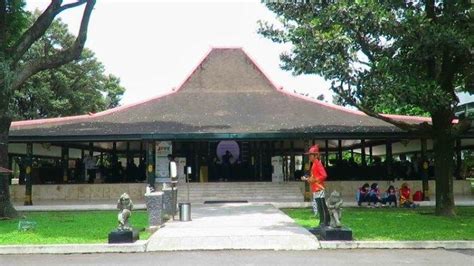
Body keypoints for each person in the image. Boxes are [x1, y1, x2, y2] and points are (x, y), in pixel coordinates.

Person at [301, 145, 330, 227]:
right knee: (320, 205)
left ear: (316, 155)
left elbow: (324, 175)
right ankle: (323, 222)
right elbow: (314, 176)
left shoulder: (317, 163)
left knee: (322, 206)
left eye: (311, 155)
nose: (309, 157)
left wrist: (314, 180)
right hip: (316, 188)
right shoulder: (314, 164)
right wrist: (308, 179)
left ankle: (324, 222)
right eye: (309, 155)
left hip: (319, 188)